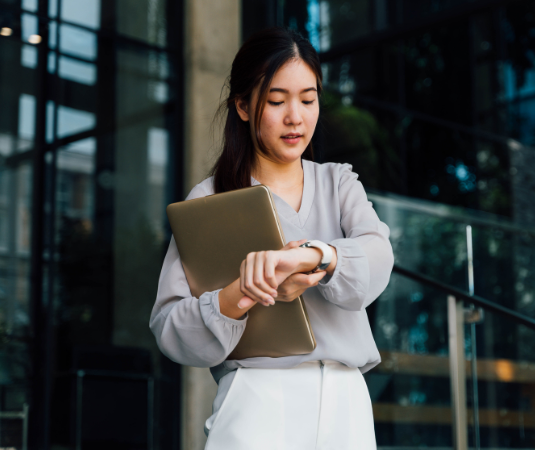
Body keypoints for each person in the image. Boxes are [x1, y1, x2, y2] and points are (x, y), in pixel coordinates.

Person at [149, 26, 394, 449]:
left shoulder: (338, 183)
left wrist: (313, 257)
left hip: (345, 401)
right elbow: (170, 326)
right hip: (257, 397)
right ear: (243, 107)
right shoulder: (211, 199)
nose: (295, 117)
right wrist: (240, 294)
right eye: (277, 101)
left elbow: (378, 257)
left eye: (308, 99)